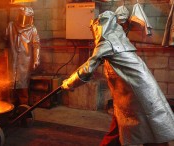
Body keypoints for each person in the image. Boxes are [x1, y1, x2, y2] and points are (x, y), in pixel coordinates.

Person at [61, 11, 174, 146]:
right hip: (138, 90)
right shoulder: (119, 39)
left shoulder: (107, 42)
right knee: (137, 125)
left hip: (136, 93)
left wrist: (68, 83)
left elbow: (87, 69)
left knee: (151, 129)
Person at [5, 6, 40, 106]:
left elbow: (36, 45)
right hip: (12, 61)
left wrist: (35, 60)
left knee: (23, 88)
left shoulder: (32, 30)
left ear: (31, 18)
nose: (23, 21)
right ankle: (10, 109)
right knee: (10, 88)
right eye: (22, 17)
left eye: (26, 18)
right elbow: (5, 42)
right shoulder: (11, 26)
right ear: (18, 16)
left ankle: (23, 111)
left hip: (24, 62)